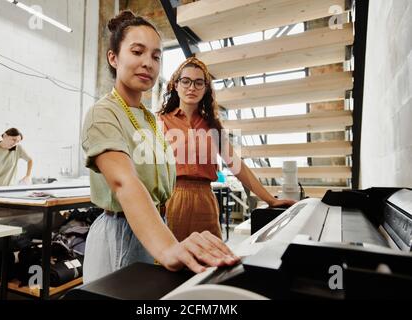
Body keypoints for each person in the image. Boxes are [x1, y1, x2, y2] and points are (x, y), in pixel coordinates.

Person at [81, 11, 239, 283]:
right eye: (137, 52)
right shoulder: (103, 113)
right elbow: (124, 183)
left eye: (156, 56)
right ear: (113, 58)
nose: (148, 63)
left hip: (155, 225)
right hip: (121, 232)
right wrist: (167, 247)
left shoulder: (149, 119)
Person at [158, 57, 297, 241]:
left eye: (199, 82)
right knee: (171, 261)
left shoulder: (212, 125)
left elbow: (237, 166)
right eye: (185, 81)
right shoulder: (160, 121)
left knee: (211, 261)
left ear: (206, 88)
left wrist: (270, 199)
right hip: (172, 200)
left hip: (205, 203)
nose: (191, 87)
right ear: (176, 85)